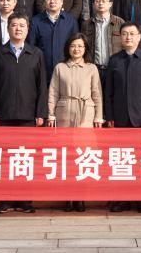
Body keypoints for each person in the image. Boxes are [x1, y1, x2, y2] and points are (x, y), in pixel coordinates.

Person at [0, 14, 47, 213]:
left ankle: (25, 200)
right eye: (14, 25)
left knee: (25, 159)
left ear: (28, 29)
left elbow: (42, 86)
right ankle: (5, 200)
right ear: (8, 28)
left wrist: (40, 112)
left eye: (22, 25)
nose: (18, 29)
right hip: (3, 116)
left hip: (28, 116)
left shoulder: (36, 53)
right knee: (5, 159)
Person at [104, 22, 141, 213]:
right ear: (120, 37)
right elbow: (109, 91)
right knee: (122, 160)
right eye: (124, 34)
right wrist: (110, 115)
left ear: (139, 37)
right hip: (120, 118)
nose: (128, 37)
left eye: (132, 34)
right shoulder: (115, 60)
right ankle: (122, 199)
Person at [47, 34, 103, 212]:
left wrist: (98, 116)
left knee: (83, 156)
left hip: (86, 114)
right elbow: (53, 92)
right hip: (64, 113)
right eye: (73, 46)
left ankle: (81, 197)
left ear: (85, 49)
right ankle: (68, 197)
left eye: (80, 46)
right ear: (68, 48)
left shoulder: (91, 68)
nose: (76, 49)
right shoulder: (60, 68)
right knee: (67, 157)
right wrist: (51, 114)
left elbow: (97, 93)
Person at [28, 0, 79, 80]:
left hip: (66, 70)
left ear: (61, 2)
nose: (52, 1)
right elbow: (31, 46)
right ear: (44, 2)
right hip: (42, 70)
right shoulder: (35, 21)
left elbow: (76, 45)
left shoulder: (71, 21)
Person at [80, 0, 124, 82]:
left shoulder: (120, 23)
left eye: (104, 1)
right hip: (93, 69)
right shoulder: (87, 24)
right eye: (97, 1)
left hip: (114, 68)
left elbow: (125, 45)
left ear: (110, 4)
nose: (100, 3)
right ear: (93, 4)